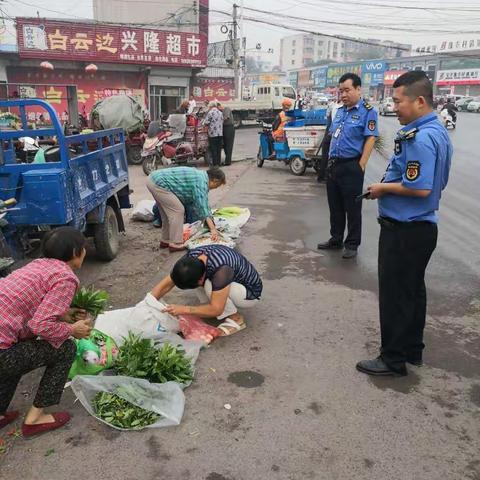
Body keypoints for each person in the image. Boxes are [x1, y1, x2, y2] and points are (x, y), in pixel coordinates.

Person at [356, 71, 452, 377]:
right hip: (421, 227)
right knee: (412, 291)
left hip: (405, 229)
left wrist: (381, 188)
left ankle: (393, 359)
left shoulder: (421, 138)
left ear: (419, 101)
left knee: (395, 294)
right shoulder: (436, 131)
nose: (393, 107)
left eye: (398, 101)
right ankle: (412, 349)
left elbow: (420, 187)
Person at [0, 227, 92, 437]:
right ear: (76, 252)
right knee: (65, 348)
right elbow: (39, 326)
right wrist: (72, 329)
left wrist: (63, 315)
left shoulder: (38, 265)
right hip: (2, 353)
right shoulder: (66, 278)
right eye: (84, 248)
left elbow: (31, 308)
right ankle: (35, 419)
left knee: (14, 349)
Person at [317, 73, 379, 259]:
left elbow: (371, 138)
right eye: (341, 91)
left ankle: (352, 244)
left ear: (358, 89)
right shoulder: (340, 110)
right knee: (334, 205)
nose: (343, 95)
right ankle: (335, 239)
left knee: (352, 208)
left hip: (352, 165)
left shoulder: (368, 111)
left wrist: (361, 164)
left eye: (347, 90)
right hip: (334, 165)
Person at [151, 245, 263, 336]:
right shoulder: (190, 259)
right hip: (225, 278)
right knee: (197, 280)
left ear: (200, 278)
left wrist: (184, 309)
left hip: (249, 292)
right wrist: (149, 300)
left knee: (209, 285)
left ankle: (236, 319)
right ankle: (210, 306)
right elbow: (168, 283)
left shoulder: (221, 270)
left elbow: (217, 309)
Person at [147, 167, 226, 252]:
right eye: (217, 186)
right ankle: (175, 243)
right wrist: (213, 229)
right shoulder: (201, 182)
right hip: (159, 183)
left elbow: (202, 204)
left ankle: (165, 240)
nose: (215, 188)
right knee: (178, 210)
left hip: (153, 180)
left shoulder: (201, 176)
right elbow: (203, 207)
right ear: (215, 180)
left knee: (167, 215)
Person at [202, 101, 224, 166]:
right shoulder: (220, 112)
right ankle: (219, 163)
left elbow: (206, 122)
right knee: (218, 149)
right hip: (220, 134)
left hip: (213, 134)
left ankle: (215, 164)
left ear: (211, 106)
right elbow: (222, 121)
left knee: (213, 149)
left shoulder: (210, 113)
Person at [218, 102, 235, 166]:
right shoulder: (221, 111)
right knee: (225, 145)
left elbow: (226, 118)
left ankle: (228, 162)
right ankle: (227, 160)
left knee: (228, 145)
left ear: (220, 106)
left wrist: (218, 121)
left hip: (229, 128)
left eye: (218, 108)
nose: (218, 109)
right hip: (224, 128)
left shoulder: (226, 109)